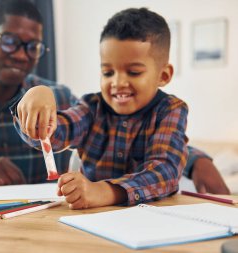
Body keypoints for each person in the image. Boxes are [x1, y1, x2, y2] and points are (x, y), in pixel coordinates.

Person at [0, 0, 229, 195]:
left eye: (33, 46)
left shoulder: (59, 96)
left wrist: (195, 161)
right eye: (9, 41)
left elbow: (128, 130)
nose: (22, 54)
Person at [13, 7, 226, 209]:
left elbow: (165, 172)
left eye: (133, 72)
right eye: (108, 72)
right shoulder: (91, 107)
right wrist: (37, 106)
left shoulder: (170, 110)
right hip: (91, 221)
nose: (117, 82)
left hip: (153, 221)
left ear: (163, 75)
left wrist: (104, 192)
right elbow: (56, 133)